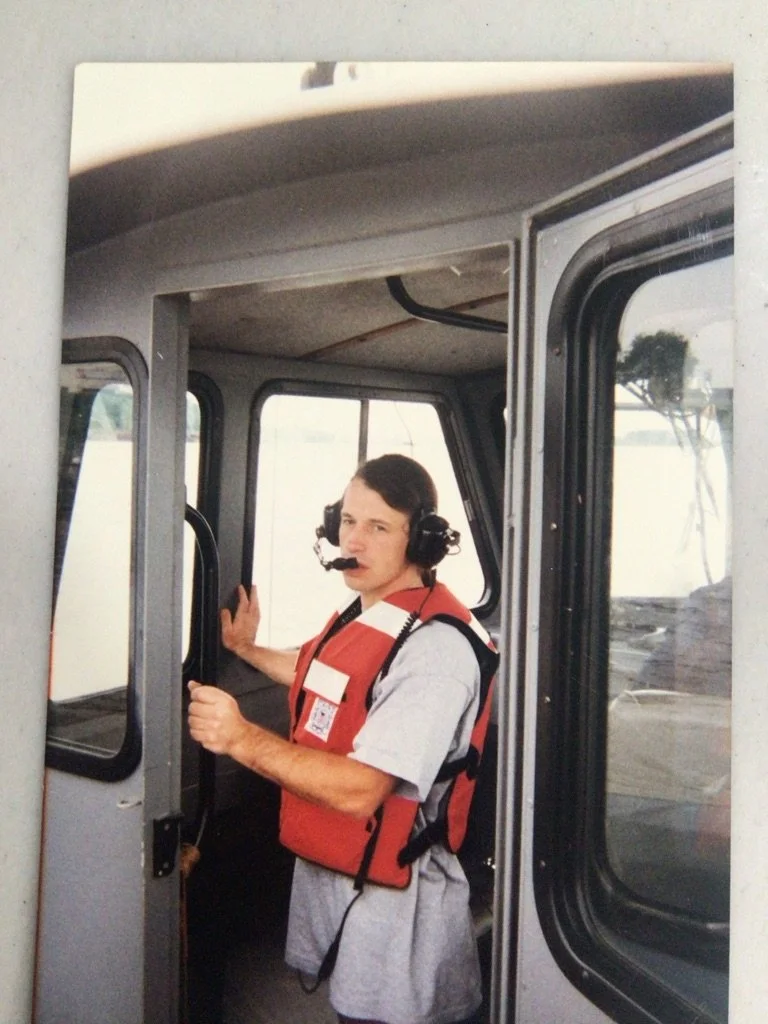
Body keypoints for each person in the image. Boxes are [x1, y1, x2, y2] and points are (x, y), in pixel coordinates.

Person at [188, 454, 497, 1024]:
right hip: (348, 881)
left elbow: (361, 790)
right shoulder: (369, 611)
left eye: (378, 527)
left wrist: (240, 739)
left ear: (421, 543)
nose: (353, 540)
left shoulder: (435, 653)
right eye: (348, 521)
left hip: (399, 915)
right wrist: (249, 650)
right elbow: (332, 678)